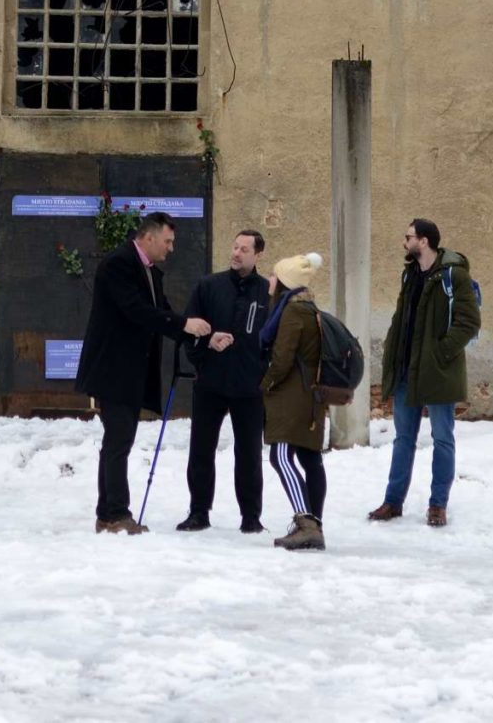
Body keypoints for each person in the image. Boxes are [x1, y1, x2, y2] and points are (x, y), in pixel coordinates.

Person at [76, 210, 212, 533]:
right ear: (148, 237)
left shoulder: (149, 270)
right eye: (167, 241)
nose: (171, 248)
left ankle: (108, 512)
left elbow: (161, 311)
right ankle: (115, 514)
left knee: (117, 441)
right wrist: (183, 324)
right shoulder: (118, 264)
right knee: (118, 441)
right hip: (113, 370)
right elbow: (137, 311)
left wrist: (197, 332)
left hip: (129, 372)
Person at [370, 218, 481, 528]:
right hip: (408, 370)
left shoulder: (453, 276)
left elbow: (469, 322)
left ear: (425, 241)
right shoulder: (410, 275)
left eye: (409, 237)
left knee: (442, 438)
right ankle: (393, 502)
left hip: (438, 371)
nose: (404, 242)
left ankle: (438, 504)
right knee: (403, 438)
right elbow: (402, 318)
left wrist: (441, 353)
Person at [179, 227, 270, 533]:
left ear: (258, 255)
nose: (236, 253)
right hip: (211, 383)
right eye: (234, 247)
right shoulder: (208, 286)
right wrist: (206, 346)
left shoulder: (267, 293)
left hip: (249, 386)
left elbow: (275, 341)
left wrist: (264, 373)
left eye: (244, 249)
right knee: (201, 449)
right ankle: (198, 512)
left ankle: (251, 517)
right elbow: (188, 330)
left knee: (249, 454)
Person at [259, 250, 329, 551]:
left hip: (293, 397)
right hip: (310, 396)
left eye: (275, 275)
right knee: (310, 458)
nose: (270, 279)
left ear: (285, 282)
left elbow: (282, 358)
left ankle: (306, 523)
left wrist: (265, 385)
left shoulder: (291, 312)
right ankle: (314, 524)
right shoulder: (309, 308)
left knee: (280, 457)